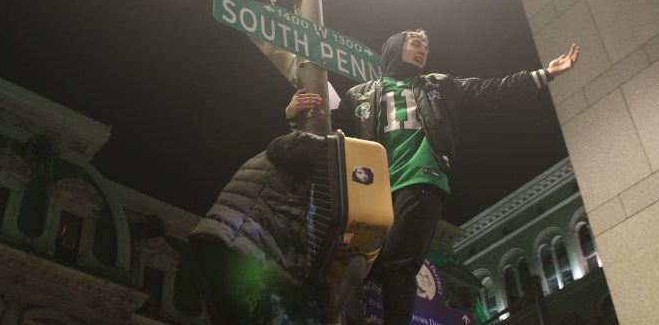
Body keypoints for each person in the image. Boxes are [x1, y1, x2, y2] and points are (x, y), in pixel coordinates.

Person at [286, 29, 579, 325]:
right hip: (374, 187)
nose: (423, 50)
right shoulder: (359, 94)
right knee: (360, 261)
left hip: (423, 180)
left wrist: (544, 75)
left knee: (398, 261)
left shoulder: (441, 86)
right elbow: (324, 133)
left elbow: (491, 91)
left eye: (426, 47)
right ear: (395, 48)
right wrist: (294, 115)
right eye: (416, 43)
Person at [189, 130, 329, 325]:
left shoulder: (282, 160)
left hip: (247, 253)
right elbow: (307, 146)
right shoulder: (299, 155)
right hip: (256, 255)